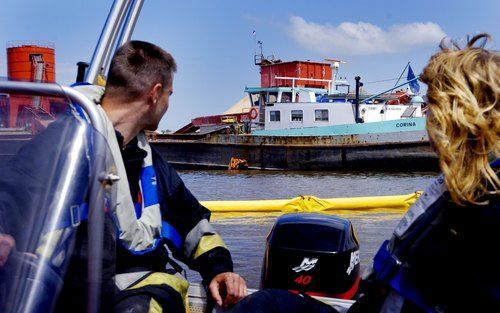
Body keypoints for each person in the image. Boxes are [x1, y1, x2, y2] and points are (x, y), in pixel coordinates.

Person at [1, 41, 247, 313]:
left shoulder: (149, 162)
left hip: (140, 294)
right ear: (155, 94)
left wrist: (220, 270)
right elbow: (10, 194)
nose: (168, 104)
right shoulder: (65, 145)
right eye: (169, 94)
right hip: (72, 294)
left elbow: (192, 222)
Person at [348, 33, 499, 313]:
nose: (427, 121)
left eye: (433, 109)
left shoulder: (486, 211)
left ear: (458, 115)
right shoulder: (463, 189)